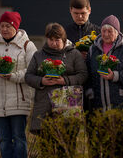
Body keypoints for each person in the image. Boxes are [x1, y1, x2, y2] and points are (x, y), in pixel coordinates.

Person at [25, 23, 88, 155]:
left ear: (64, 40)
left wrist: (65, 80)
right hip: (44, 107)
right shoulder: (38, 55)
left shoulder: (74, 54)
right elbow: (28, 76)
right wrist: (41, 81)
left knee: (66, 148)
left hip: (67, 106)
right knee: (46, 149)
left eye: (57, 40)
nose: (53, 43)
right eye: (51, 40)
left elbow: (83, 75)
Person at [0, 11, 37, 158]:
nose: (4, 29)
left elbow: (33, 70)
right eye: (2, 26)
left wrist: (13, 76)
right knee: (4, 140)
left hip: (19, 101)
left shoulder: (27, 45)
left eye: (8, 26)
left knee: (19, 138)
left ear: (16, 27)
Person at [86, 15, 123, 111]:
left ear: (117, 33)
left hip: (122, 104)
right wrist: (89, 91)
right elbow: (88, 74)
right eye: (104, 31)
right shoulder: (92, 50)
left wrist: (115, 76)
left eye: (110, 31)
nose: (106, 34)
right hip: (98, 104)